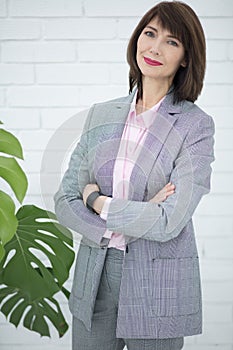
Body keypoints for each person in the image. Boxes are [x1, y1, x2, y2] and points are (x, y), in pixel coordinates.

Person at [54, 1, 215, 349]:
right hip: (95, 275)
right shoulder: (101, 115)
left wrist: (98, 201)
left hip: (158, 282)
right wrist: (137, 214)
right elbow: (65, 201)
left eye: (172, 42)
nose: (155, 47)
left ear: (186, 57)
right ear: (137, 39)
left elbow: (170, 221)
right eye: (150, 33)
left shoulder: (195, 125)